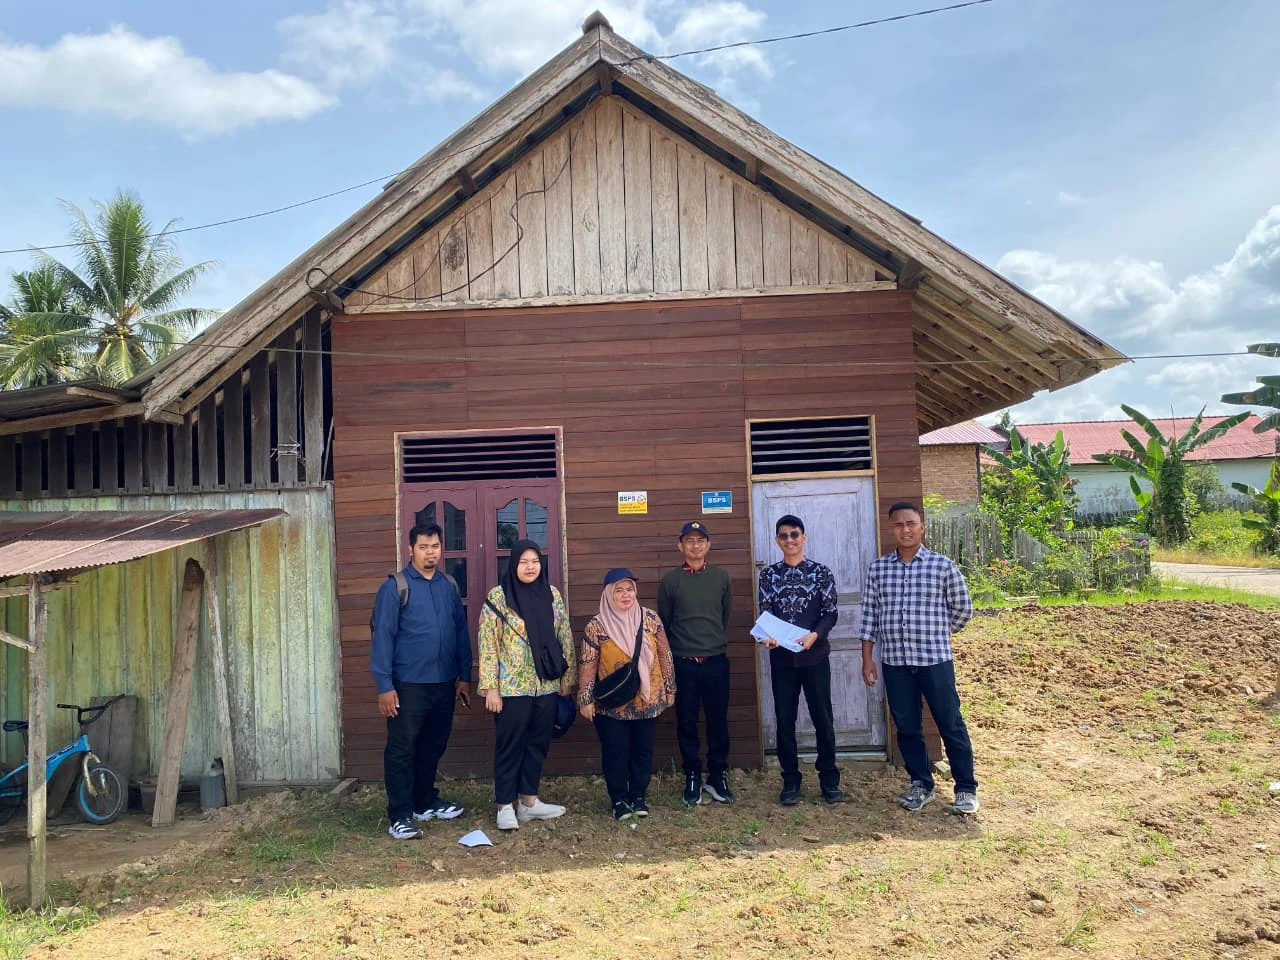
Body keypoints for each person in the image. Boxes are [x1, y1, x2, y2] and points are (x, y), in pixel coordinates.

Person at [858, 501, 980, 815]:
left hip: (935, 661)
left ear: (921, 527)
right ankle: (921, 784)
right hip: (895, 662)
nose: (906, 530)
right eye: (899, 525)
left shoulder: (942, 566)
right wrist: (867, 659)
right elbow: (870, 616)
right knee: (907, 726)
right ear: (891, 530)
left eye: (911, 523)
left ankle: (965, 789)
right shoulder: (879, 569)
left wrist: (938, 632)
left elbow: (964, 609)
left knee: (950, 723)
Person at [370, 523, 471, 840]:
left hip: (443, 683)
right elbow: (383, 637)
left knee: (433, 745)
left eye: (435, 546)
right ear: (411, 550)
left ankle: (424, 802)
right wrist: (384, 686)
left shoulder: (448, 585)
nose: (430, 553)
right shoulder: (395, 588)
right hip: (407, 685)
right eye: (424, 547)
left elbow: (460, 632)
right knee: (401, 750)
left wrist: (464, 676)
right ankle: (400, 814)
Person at [478, 539, 576, 831]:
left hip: (546, 684)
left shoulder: (551, 594)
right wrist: (491, 688)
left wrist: (567, 678)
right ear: (513, 564)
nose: (530, 567)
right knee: (510, 745)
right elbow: (488, 644)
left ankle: (529, 802)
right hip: (512, 687)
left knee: (538, 742)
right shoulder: (498, 597)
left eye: (535, 561)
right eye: (524, 562)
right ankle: (505, 805)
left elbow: (564, 635)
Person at [757, 514, 843, 805]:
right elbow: (766, 613)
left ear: (804, 537)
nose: (789, 540)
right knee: (784, 720)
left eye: (794, 534)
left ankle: (829, 779)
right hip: (782, 660)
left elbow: (830, 612)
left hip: (815, 657)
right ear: (777, 540)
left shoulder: (821, 573)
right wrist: (767, 637)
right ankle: (790, 780)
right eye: (784, 536)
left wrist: (815, 635)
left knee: (823, 719)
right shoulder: (768, 575)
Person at [578, 568, 677, 820]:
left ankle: (639, 796)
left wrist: (670, 688)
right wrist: (586, 699)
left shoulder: (650, 619)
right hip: (613, 704)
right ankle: (619, 800)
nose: (625, 595)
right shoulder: (596, 626)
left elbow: (665, 654)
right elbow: (588, 664)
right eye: (619, 590)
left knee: (643, 751)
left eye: (629, 589)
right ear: (608, 594)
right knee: (615, 752)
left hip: (648, 699)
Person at [657, 521, 734, 806]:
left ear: (708, 545)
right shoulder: (670, 581)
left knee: (718, 721)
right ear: (680, 546)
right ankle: (692, 775)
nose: (695, 545)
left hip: (715, 661)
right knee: (687, 721)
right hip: (684, 663)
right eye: (689, 540)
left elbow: (724, 616)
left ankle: (717, 775)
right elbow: (665, 621)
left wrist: (710, 642)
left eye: (700, 540)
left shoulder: (721, 577)